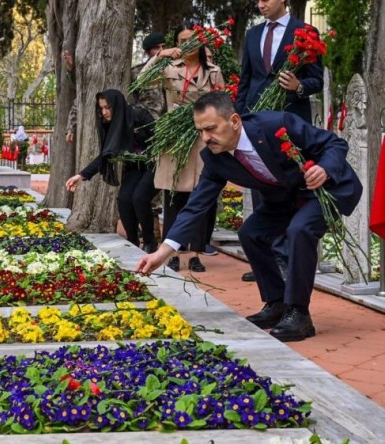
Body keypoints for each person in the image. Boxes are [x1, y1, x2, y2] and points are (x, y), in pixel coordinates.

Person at [137, 91, 362, 342]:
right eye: (200, 131)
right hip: (284, 198)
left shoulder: (276, 124)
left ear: (234, 121)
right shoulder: (215, 159)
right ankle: (277, 304)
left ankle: (299, 313)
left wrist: (324, 169)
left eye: (210, 129)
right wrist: (164, 252)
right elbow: (196, 206)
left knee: (300, 230)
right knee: (251, 233)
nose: (205, 138)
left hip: (323, 189)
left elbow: (334, 144)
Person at [236, 0, 324, 281]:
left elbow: (317, 80)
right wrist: (239, 117)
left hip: (289, 122)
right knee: (261, 183)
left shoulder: (305, 31)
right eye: (258, 0)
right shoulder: (252, 34)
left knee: (290, 186)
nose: (261, 4)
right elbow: (246, 80)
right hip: (255, 122)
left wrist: (299, 87)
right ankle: (266, 258)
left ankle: (286, 257)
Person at [141, 21, 225, 272]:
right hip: (176, 138)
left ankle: (195, 254)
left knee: (200, 196)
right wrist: (160, 56)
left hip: (203, 136)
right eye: (181, 41)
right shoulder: (169, 67)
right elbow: (143, 80)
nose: (186, 44)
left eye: (191, 39)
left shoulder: (212, 70)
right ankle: (173, 252)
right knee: (174, 198)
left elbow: (222, 101)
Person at [65, 89, 158, 253]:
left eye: (108, 107)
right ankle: (133, 239)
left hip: (154, 166)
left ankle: (150, 241)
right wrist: (82, 175)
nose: (104, 112)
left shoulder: (140, 115)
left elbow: (159, 139)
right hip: (132, 167)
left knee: (139, 198)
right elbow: (106, 155)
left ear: (117, 105)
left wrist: (151, 154)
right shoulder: (112, 126)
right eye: (101, 108)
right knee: (123, 200)